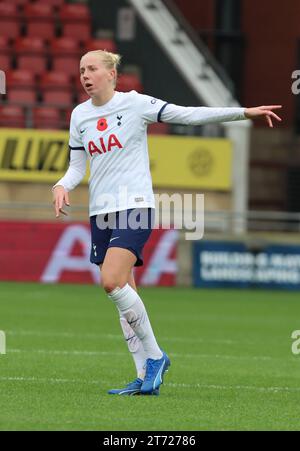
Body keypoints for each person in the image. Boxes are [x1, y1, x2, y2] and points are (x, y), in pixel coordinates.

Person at [52, 50, 282, 396]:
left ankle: (156, 358)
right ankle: (145, 375)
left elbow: (188, 115)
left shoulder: (135, 104)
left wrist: (243, 112)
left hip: (135, 206)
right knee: (124, 294)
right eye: (81, 69)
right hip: (100, 212)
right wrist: (61, 185)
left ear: (111, 73)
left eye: (92, 69)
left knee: (111, 282)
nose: (85, 75)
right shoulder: (80, 115)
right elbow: (75, 166)